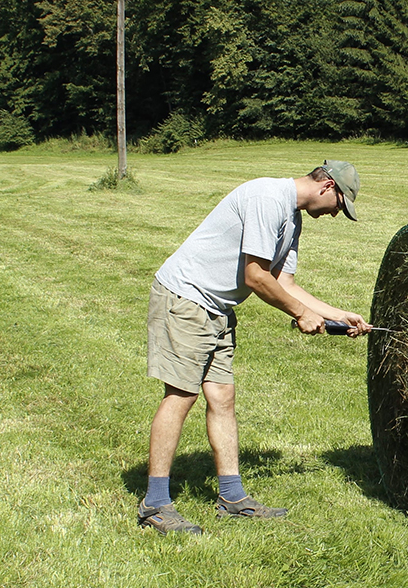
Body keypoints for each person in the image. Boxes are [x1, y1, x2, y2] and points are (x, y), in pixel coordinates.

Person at [138, 160, 371, 535]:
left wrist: (337, 314)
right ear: (327, 186)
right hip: (186, 299)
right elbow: (255, 277)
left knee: (223, 398)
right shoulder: (267, 198)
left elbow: (285, 283)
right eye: (339, 206)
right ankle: (155, 504)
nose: (334, 214)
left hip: (217, 307)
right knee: (181, 396)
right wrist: (300, 314)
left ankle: (232, 498)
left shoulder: (291, 218)